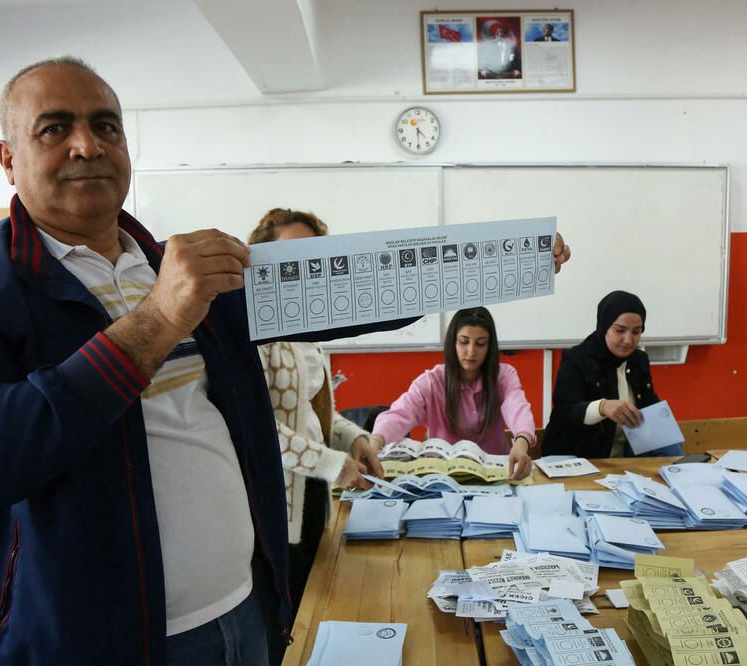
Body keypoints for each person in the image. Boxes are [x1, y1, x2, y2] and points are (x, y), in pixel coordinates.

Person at [0, 57, 433, 666]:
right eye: (54, 128)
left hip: (246, 613)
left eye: (106, 126)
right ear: (7, 158)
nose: (87, 145)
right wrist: (157, 321)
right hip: (85, 650)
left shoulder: (179, 263)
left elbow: (339, 295)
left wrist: (492, 264)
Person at [249, 207, 384, 610]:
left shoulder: (308, 330)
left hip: (313, 495)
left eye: (313, 256)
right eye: (291, 253)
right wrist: (331, 463)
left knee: (313, 600)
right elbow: (255, 430)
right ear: (261, 258)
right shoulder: (253, 328)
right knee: (285, 615)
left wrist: (355, 439)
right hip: (274, 504)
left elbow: (313, 415)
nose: (301, 266)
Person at [370, 307, 536, 480]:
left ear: (490, 346)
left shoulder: (503, 376)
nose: (471, 351)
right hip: (444, 476)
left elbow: (517, 408)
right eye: (464, 341)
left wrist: (521, 442)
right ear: (453, 342)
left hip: (494, 474)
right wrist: (376, 443)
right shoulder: (432, 381)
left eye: (480, 343)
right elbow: (400, 413)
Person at [543, 290, 684, 459]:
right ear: (604, 327)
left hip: (625, 461)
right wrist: (602, 407)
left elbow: (650, 410)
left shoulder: (639, 360)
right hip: (579, 457)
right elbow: (566, 412)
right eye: (619, 330)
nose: (628, 340)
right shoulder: (577, 358)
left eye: (636, 332)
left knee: (671, 448)